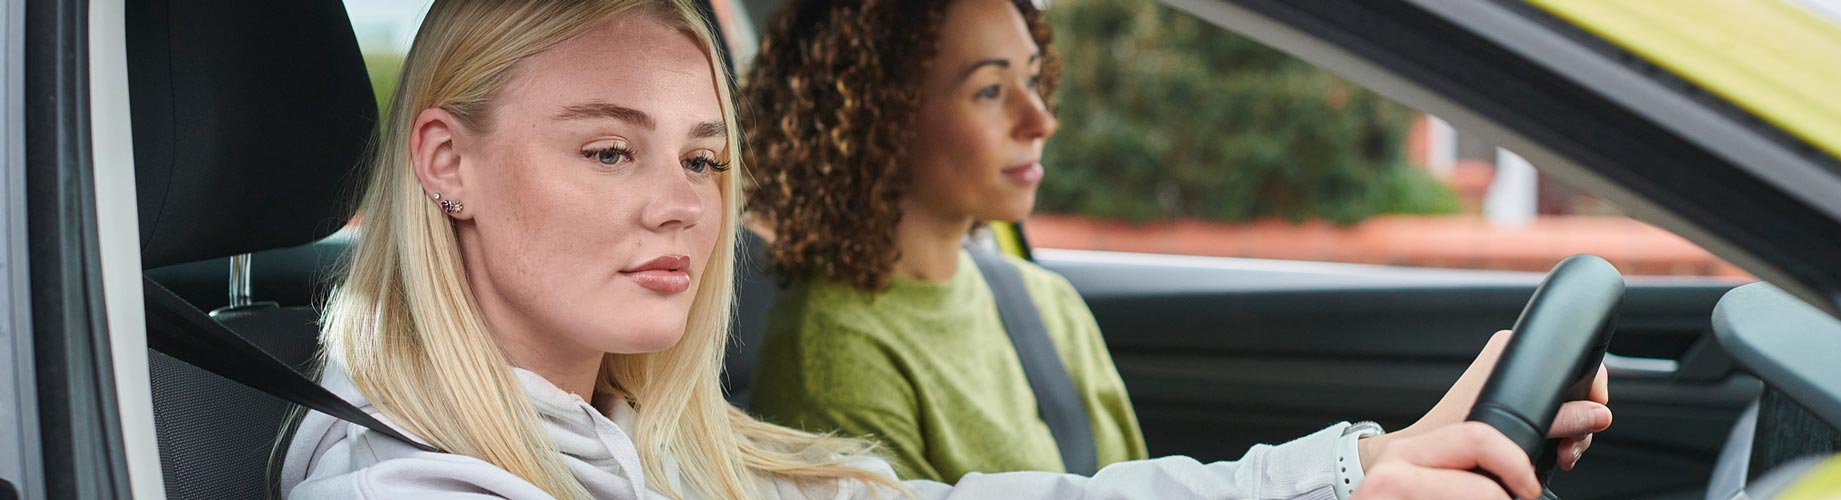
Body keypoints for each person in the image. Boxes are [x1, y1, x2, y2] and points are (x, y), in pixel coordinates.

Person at [279, 0, 1601, 498]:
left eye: (701, 156)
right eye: (610, 150)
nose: (682, 204)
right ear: (445, 161)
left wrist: (1356, 469)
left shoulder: (636, 443)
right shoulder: (414, 485)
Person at [741, 0, 1611, 494]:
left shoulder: (1036, 298)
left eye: (1035, 84)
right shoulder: (829, 348)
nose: (1039, 120)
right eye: (990, 92)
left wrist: (1379, 457)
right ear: (875, 121)